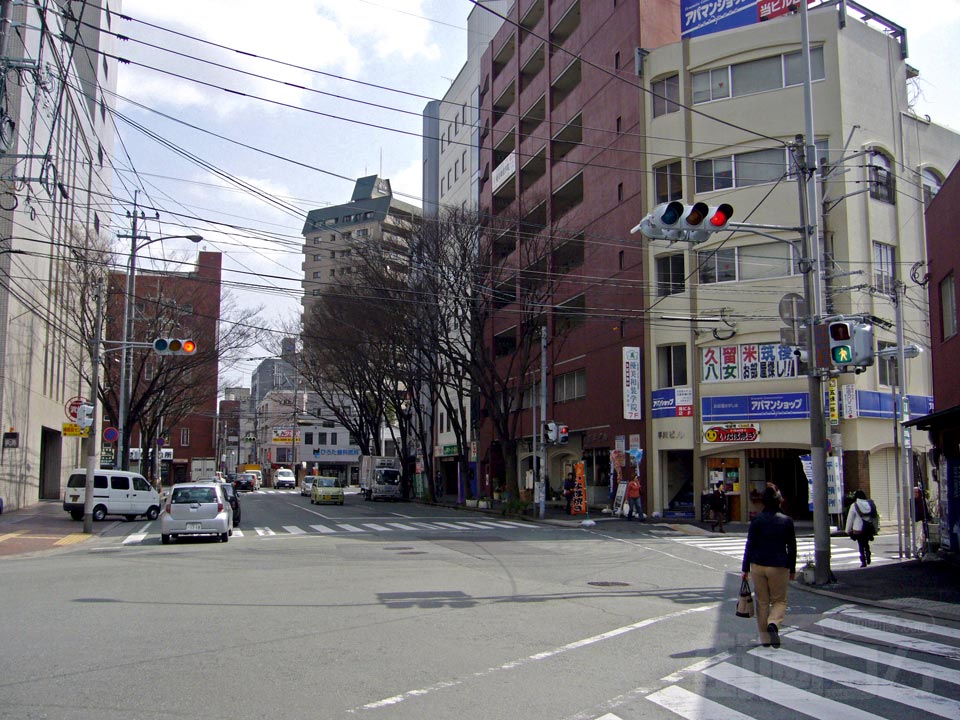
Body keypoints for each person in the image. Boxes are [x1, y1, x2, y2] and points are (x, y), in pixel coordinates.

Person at [741, 485, 796, 648]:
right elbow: (792, 546)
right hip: (778, 565)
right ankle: (773, 623)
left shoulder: (757, 520)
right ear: (779, 501)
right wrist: (792, 568)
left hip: (758, 564)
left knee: (762, 602)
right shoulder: (786, 521)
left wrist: (745, 569)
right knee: (779, 601)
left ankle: (764, 639)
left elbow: (749, 545)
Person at [845, 489, 877, 567]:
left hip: (858, 529)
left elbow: (850, 519)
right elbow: (875, 517)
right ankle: (868, 554)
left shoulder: (854, 505)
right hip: (868, 528)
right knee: (866, 543)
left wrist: (847, 530)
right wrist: (875, 528)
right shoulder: (870, 504)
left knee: (861, 545)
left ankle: (863, 561)